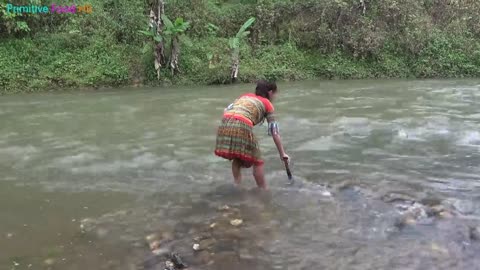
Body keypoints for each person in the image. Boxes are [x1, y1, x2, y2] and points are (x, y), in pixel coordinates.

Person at [214, 80, 289, 189]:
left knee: (237, 158)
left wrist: (228, 125)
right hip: (241, 124)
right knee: (257, 160)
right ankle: (263, 190)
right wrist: (282, 154)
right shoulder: (267, 104)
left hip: (225, 123)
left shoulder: (245, 96)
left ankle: (237, 185)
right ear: (270, 92)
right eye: (275, 93)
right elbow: (274, 131)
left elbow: (226, 110)